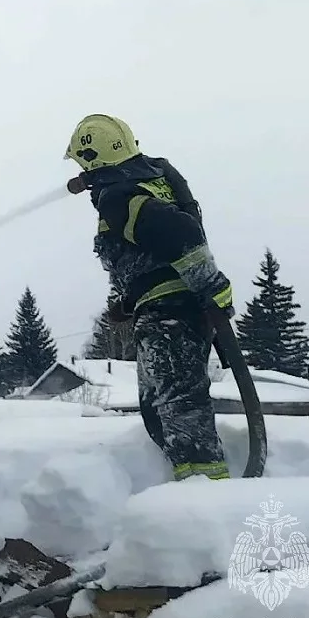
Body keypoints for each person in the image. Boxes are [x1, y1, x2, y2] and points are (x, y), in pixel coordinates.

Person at [64, 114, 234, 481]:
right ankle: (191, 485)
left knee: (179, 408)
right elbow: (154, 252)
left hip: (169, 314)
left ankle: (207, 492)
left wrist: (212, 286)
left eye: (83, 163)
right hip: (168, 308)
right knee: (160, 407)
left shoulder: (118, 196)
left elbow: (180, 232)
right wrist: (129, 300)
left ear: (94, 158)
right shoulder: (149, 181)